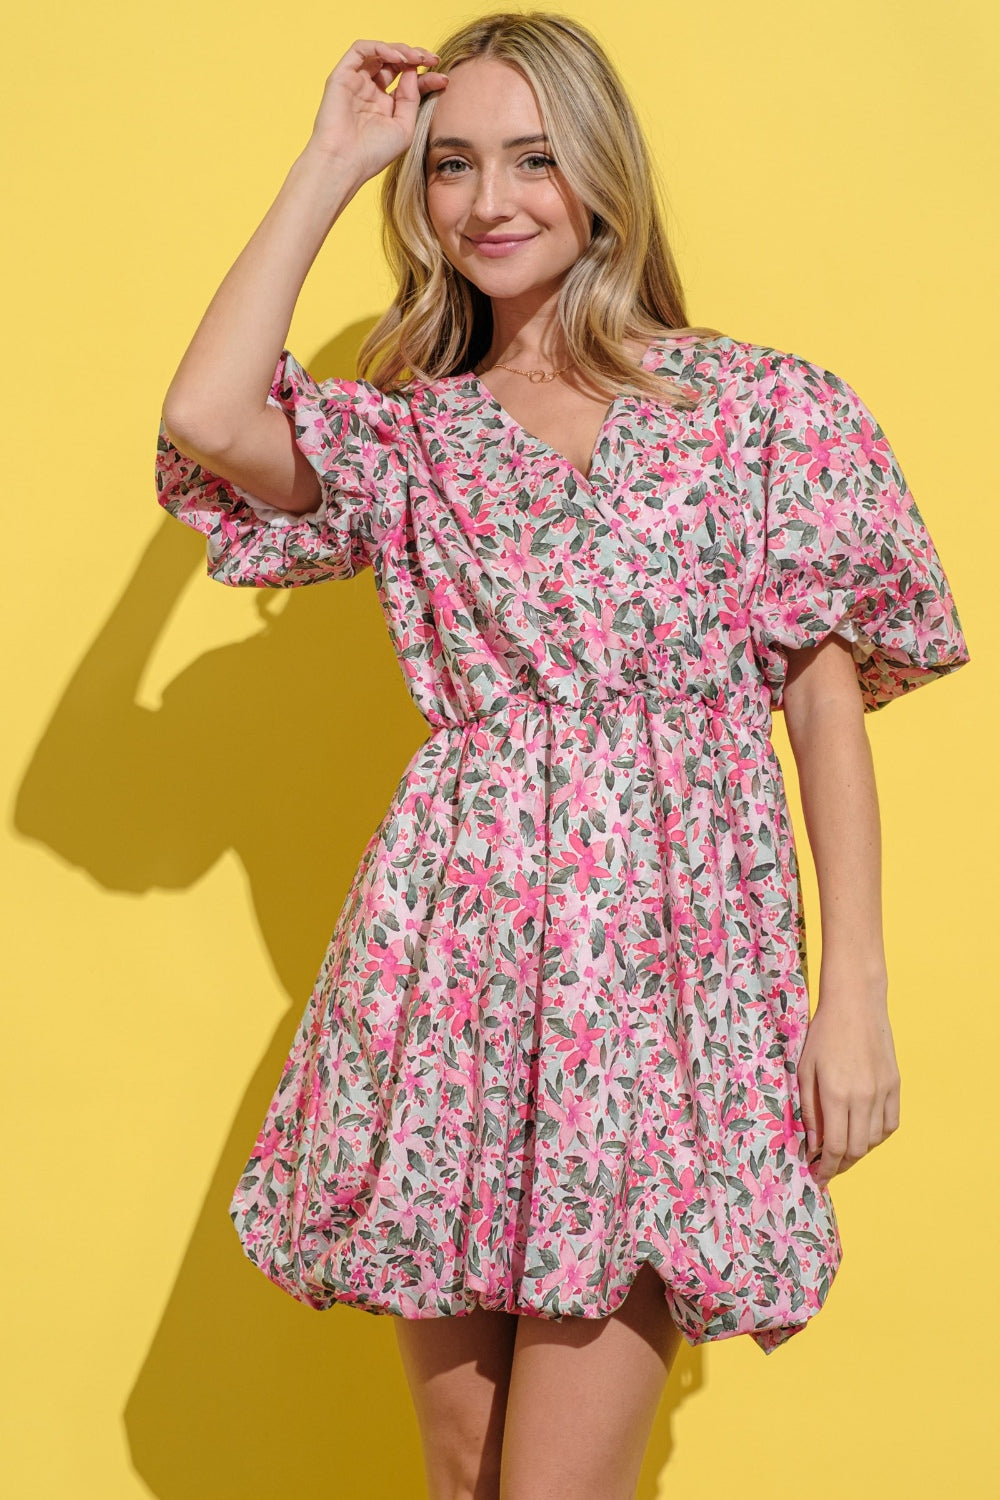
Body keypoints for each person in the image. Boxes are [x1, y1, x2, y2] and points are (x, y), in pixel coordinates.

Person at [156, 12, 971, 1499]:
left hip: (667, 988)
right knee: (466, 1465)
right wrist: (333, 159)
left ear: (603, 173)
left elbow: (823, 704)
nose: (489, 201)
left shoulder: (761, 411)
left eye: (533, 158)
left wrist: (852, 995)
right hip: (448, 976)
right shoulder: (418, 444)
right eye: (453, 165)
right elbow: (208, 416)